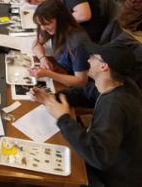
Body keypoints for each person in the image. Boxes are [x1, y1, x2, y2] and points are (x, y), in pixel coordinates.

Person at [30, 43, 142, 187]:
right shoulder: (120, 83)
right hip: (105, 157)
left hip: (109, 177)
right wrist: (54, 98)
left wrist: (63, 118)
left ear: (104, 67)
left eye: (93, 57)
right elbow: (85, 93)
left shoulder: (114, 105)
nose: (88, 60)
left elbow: (99, 156)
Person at [29, 0, 90, 87]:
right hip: (60, 70)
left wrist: (48, 74)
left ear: (61, 20)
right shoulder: (53, 28)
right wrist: (42, 58)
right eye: (40, 25)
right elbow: (37, 44)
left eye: (46, 24)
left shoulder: (78, 43)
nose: (42, 28)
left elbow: (81, 81)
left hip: (71, 81)